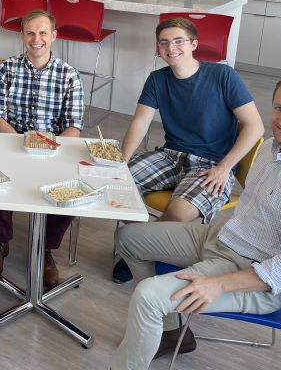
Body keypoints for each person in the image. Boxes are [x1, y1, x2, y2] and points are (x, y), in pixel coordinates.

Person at [111, 75, 281, 370]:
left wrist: (218, 285)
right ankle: (172, 332)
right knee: (128, 239)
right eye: (279, 108)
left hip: (253, 274)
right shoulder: (271, 148)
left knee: (147, 297)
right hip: (225, 238)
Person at [112, 17, 264, 284]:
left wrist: (225, 167)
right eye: (164, 42)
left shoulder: (222, 75)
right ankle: (144, 248)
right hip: (171, 154)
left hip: (213, 163)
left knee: (179, 213)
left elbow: (255, 126)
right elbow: (140, 121)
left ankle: (136, 250)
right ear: (158, 48)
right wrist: (121, 163)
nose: (172, 48)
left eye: (179, 41)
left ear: (194, 44)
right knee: (115, 188)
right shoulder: (157, 79)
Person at [0, 10, 83, 287]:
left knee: (70, 189)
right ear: (22, 36)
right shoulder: (6, 69)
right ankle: (0, 240)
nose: (36, 39)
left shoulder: (69, 75)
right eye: (30, 33)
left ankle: (46, 248)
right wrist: (20, 144)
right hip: (11, 140)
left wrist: (48, 149)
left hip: (54, 146)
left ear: (53, 36)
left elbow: (74, 125)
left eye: (42, 33)